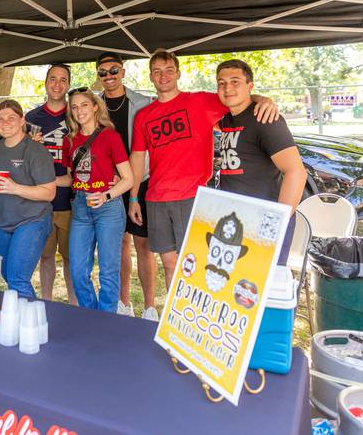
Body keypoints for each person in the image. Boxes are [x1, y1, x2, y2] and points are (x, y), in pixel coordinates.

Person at [128, 49, 279, 288]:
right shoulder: (143, 115)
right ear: (150, 77)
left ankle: (195, 317)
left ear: (178, 73)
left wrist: (265, 100)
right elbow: (137, 157)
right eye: (157, 71)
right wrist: (134, 197)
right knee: (169, 263)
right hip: (156, 198)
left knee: (194, 262)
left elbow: (238, 99)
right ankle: (175, 316)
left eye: (169, 70)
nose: (163, 76)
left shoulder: (200, 101)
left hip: (193, 196)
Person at [215, 59, 307, 262]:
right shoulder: (225, 119)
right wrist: (259, 97)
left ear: (250, 85)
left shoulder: (265, 119)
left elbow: (296, 172)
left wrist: (278, 222)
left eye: (235, 81)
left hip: (265, 220)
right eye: (222, 83)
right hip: (235, 219)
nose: (227, 88)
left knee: (265, 289)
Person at [95, 52, 156, 319]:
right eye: (103, 72)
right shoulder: (93, 105)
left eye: (114, 70)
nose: (109, 76)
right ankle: (123, 304)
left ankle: (150, 306)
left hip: (140, 181)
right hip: (109, 184)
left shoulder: (143, 103)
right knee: (119, 243)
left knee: (143, 244)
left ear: (123, 71)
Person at [62, 88, 134, 312]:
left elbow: (128, 179)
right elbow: (70, 178)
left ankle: (107, 319)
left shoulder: (110, 136)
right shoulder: (70, 141)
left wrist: (106, 195)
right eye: (74, 107)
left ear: (95, 107)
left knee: (109, 270)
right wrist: (41, 184)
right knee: (78, 271)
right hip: (81, 208)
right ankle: (91, 314)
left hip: (108, 207)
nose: (79, 110)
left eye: (84, 105)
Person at [25, 63, 77, 305]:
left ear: (68, 84)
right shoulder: (32, 118)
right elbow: (22, 160)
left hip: (71, 201)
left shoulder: (76, 114)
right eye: (53, 79)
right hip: (43, 203)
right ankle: (46, 302)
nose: (57, 84)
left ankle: (75, 305)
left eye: (63, 79)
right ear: (46, 82)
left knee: (70, 258)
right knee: (46, 258)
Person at [0, 100, 56, 298]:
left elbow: (49, 192)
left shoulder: (36, 151)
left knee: (17, 278)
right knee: (5, 272)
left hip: (32, 220)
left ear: (22, 120)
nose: (5, 122)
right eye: (0, 119)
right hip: (5, 222)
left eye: (11, 117)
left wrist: (14, 187)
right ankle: (26, 317)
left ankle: (32, 324)